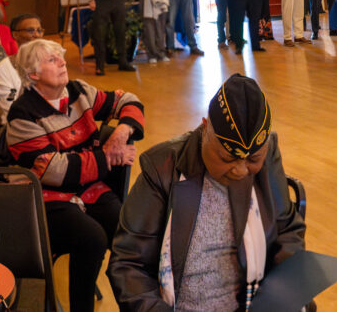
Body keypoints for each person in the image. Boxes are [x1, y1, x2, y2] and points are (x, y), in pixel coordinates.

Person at [108, 75, 306, 310]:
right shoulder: (163, 168)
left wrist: (286, 294)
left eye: (253, 159)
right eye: (228, 158)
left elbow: (287, 230)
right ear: (205, 128)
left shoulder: (268, 154)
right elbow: (129, 264)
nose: (241, 170)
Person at [7, 39, 146, 312]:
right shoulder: (22, 115)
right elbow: (56, 171)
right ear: (33, 74)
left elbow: (129, 100)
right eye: (51, 60)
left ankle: (134, 303)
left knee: (131, 234)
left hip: (89, 190)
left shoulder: (79, 91)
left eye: (60, 56)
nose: (62, 62)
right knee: (92, 238)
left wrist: (122, 131)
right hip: (45, 201)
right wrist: (108, 156)